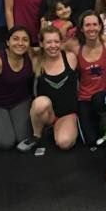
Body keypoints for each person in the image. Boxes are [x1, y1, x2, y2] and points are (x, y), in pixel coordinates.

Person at [18, 25, 80, 155]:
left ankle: (58, 128)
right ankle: (36, 135)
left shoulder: (70, 57)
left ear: (61, 42)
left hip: (67, 113)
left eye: (56, 41)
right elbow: (15, 50)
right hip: (47, 112)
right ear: (41, 43)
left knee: (64, 143)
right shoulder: (35, 60)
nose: (53, 46)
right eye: (48, 42)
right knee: (41, 103)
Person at [75, 11, 106, 148]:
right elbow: (53, 46)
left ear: (100, 27)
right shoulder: (75, 47)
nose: (91, 28)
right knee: (90, 140)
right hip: (85, 98)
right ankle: (98, 123)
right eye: (87, 25)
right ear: (81, 28)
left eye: (94, 24)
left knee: (99, 99)